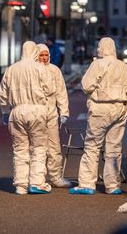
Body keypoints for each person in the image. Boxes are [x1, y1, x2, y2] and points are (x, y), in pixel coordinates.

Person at [70, 37, 127, 195]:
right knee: (114, 148)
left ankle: (87, 184)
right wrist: (125, 110)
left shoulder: (97, 64)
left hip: (100, 108)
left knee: (92, 146)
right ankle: (112, 185)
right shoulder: (123, 66)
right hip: (119, 107)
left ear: (101, 48)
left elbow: (86, 85)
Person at [0, 41, 55, 195]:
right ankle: (36, 183)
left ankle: (21, 185)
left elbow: (3, 94)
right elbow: (50, 89)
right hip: (37, 110)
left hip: (17, 111)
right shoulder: (40, 68)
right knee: (38, 147)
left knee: (20, 149)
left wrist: (5, 112)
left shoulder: (11, 69)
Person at [37, 43, 71, 188]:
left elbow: (61, 93)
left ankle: (55, 176)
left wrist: (64, 112)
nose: (44, 58)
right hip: (36, 114)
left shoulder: (54, 70)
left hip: (51, 114)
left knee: (54, 147)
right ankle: (37, 177)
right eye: (41, 55)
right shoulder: (31, 71)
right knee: (37, 147)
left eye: (46, 55)